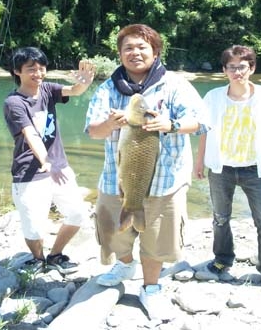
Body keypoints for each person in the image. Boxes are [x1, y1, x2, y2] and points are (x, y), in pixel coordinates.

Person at [85, 24, 207, 321]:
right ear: (120, 53)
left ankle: (151, 288)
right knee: (112, 233)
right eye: (128, 48)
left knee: (157, 239)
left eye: (142, 47)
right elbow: (93, 131)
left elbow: (201, 122)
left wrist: (171, 125)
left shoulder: (175, 84)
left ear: (155, 51)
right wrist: (111, 124)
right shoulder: (107, 88)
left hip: (167, 181)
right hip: (116, 179)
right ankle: (125, 264)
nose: (135, 53)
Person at [193, 45, 261, 285]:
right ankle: (222, 259)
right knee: (220, 218)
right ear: (225, 70)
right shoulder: (213, 96)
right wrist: (199, 161)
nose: (238, 72)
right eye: (232, 67)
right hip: (221, 167)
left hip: (255, 168)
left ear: (252, 68)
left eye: (243, 67)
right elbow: (204, 130)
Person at [4, 47, 96, 275]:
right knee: (33, 226)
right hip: (29, 172)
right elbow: (30, 133)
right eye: (31, 69)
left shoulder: (47, 89)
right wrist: (45, 161)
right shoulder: (14, 102)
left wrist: (84, 83)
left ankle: (55, 255)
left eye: (41, 68)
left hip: (59, 166)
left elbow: (74, 90)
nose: (38, 73)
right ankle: (37, 259)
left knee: (77, 213)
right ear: (17, 71)